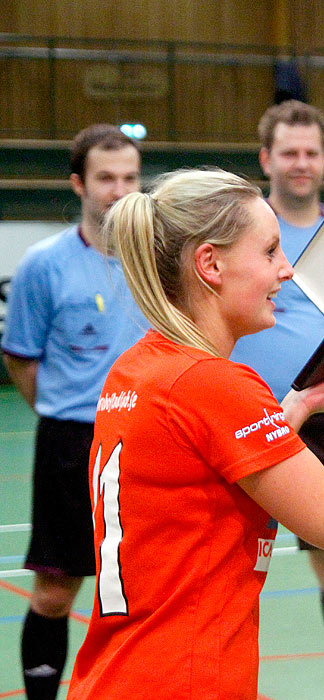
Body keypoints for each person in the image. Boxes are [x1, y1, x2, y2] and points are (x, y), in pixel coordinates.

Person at [66, 169, 324, 699]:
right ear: (210, 264)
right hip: (189, 680)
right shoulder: (214, 384)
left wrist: (302, 403)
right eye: (270, 252)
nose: (286, 271)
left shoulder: (138, 368)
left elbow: (208, 470)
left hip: (122, 673)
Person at [229, 100, 324, 700]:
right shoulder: (242, 230)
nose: (301, 163)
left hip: (323, 419)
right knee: (232, 563)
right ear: (266, 158)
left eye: (311, 152)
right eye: (288, 152)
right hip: (240, 414)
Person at [1, 124, 145, 700]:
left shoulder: (156, 259)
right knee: (56, 593)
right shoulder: (44, 265)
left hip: (146, 443)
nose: (119, 190)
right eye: (105, 178)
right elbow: (21, 361)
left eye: (130, 178)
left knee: (140, 592)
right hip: (71, 445)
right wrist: (68, 413)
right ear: (78, 184)